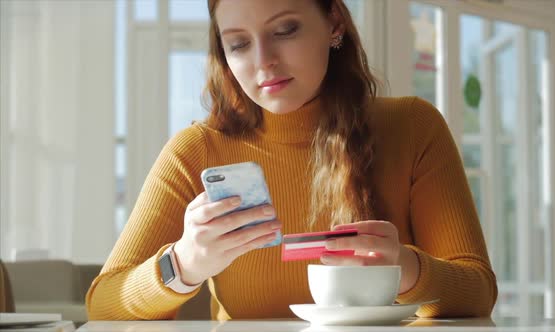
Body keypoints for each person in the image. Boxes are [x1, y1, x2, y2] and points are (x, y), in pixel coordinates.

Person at [86, 0, 497, 320]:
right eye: (239, 43)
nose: (263, 61)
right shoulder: (195, 151)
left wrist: (404, 267)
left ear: (334, 22)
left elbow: (479, 291)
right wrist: (184, 264)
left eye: (285, 30)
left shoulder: (413, 127)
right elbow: (103, 304)